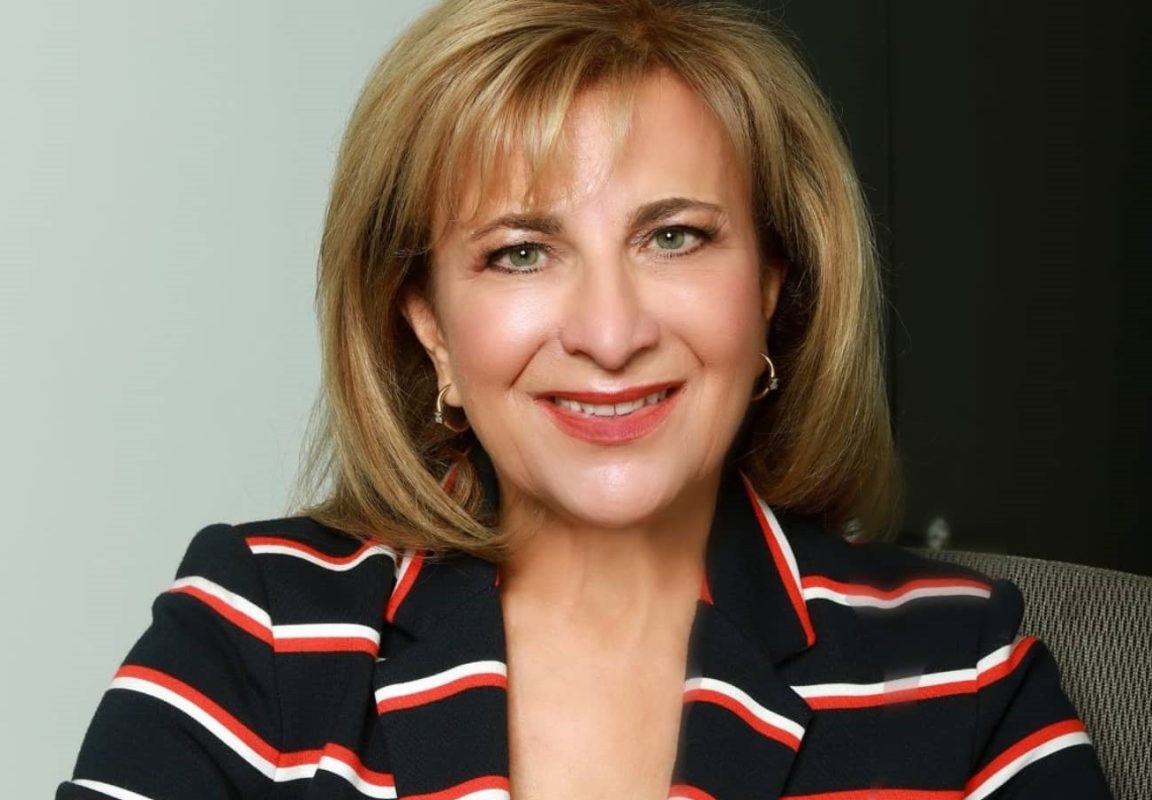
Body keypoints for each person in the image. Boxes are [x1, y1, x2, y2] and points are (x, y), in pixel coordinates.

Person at [56, 1, 1113, 798]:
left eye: (675, 237)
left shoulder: (961, 668)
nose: (610, 334)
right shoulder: (259, 634)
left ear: (770, 288)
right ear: (429, 323)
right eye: (521, 251)